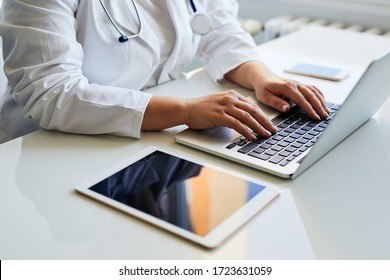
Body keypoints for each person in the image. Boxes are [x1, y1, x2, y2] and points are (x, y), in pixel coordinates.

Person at [0, 0, 329, 144]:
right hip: (47, 145)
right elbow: (51, 93)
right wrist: (186, 110)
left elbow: (220, 31)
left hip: (143, 136)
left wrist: (263, 78)